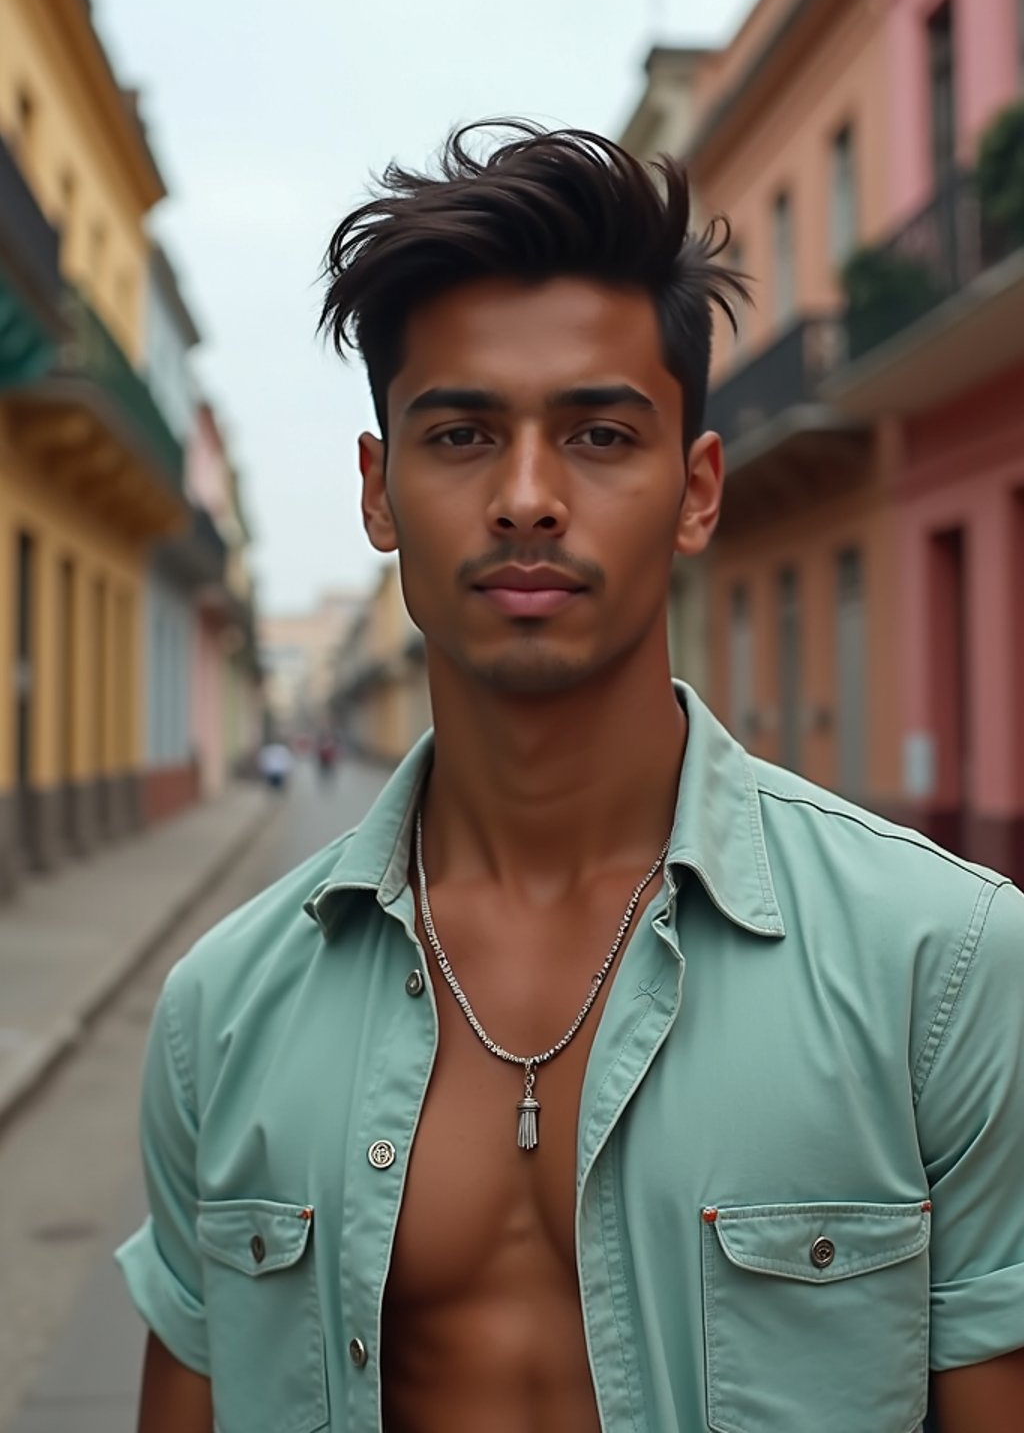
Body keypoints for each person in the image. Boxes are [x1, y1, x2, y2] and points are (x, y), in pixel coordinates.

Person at [116, 123, 1024, 1433]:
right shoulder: (222, 1012)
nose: (529, 498)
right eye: (462, 435)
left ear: (696, 490)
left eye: (600, 434)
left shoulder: (939, 968)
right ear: (377, 492)